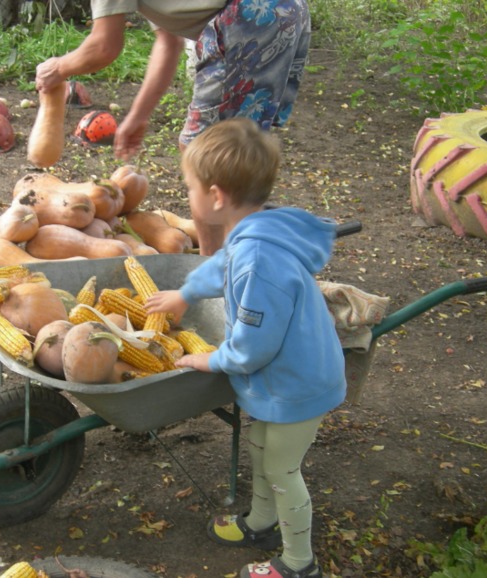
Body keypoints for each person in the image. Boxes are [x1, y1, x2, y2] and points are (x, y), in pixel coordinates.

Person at [145, 118, 346, 578]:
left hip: (299, 382)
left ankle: (298, 564)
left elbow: (254, 347)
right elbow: (222, 268)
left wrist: (209, 359)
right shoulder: (254, 232)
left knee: (282, 469)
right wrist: (186, 293)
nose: (187, 197)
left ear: (216, 197)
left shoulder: (260, 260)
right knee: (259, 443)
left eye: (190, 188)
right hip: (289, 374)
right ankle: (260, 521)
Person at [34, 0, 311, 256]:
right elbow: (169, 42)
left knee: (206, 157)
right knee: (238, 154)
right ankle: (246, 264)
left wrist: (57, 68)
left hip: (251, 17)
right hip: (286, 11)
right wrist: (139, 115)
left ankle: (217, 276)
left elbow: (104, 45)